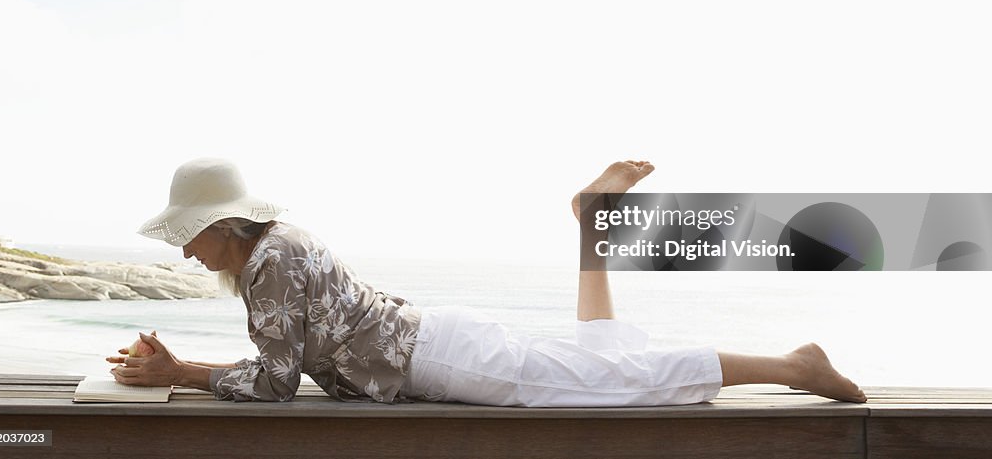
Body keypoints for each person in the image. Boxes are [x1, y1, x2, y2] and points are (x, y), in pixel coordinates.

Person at [107, 157, 867, 406]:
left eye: (189, 236)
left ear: (224, 224)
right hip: (437, 341)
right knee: (602, 359)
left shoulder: (269, 265)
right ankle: (592, 222)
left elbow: (275, 384)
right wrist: (185, 368)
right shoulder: (279, 243)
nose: (185, 253)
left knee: (614, 381)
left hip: (439, 359)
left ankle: (793, 365)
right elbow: (289, 369)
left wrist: (181, 372)